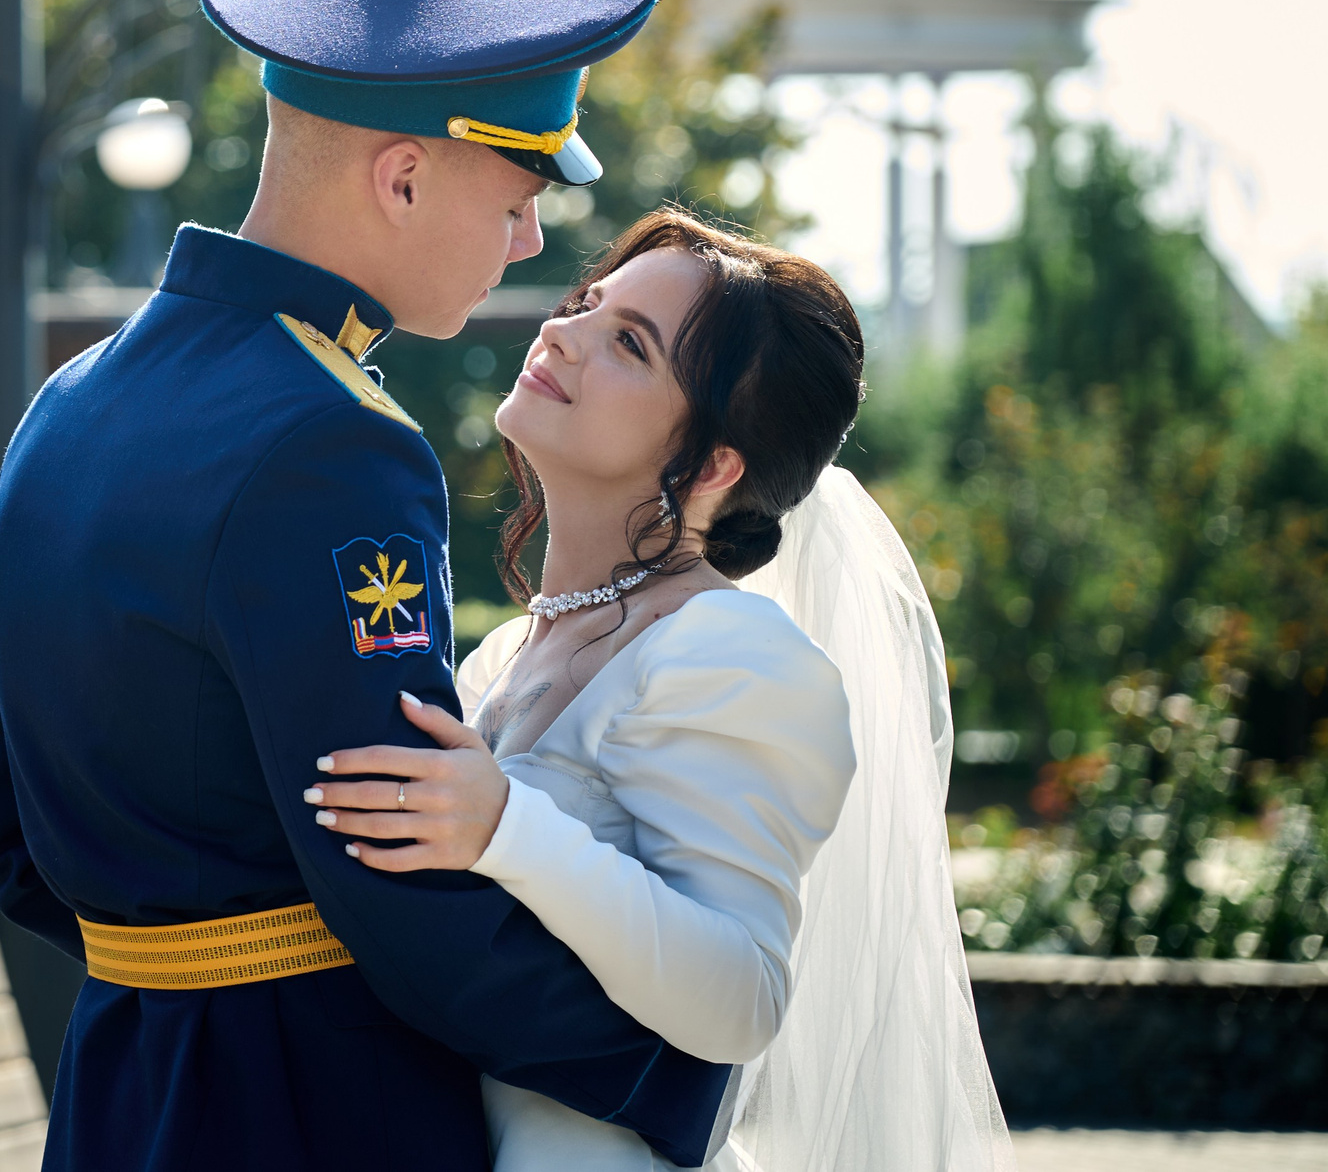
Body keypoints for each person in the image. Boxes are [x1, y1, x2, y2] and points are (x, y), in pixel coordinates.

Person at [0, 0, 729, 1171]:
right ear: (402, 179)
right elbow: (397, 882)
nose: (530, 240)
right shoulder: (333, 443)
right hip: (313, 1107)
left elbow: (11, 850)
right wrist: (674, 1076)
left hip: (118, 1087)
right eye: (515, 193)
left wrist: (175, 981)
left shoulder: (67, 403)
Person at [308, 209, 1012, 1170]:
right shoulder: (501, 656)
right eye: (589, 303)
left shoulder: (727, 650)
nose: (564, 330)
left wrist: (508, 826)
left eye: (628, 344)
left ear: (716, 464)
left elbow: (741, 996)